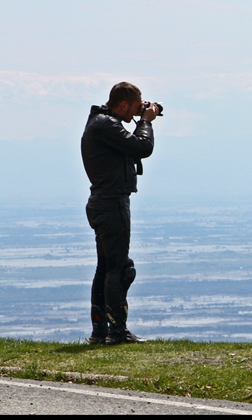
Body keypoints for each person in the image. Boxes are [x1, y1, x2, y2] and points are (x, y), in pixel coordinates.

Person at [81, 82, 159, 345]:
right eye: (137, 106)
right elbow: (142, 147)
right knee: (119, 269)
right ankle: (117, 331)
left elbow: (131, 146)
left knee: (106, 268)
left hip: (103, 202)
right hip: (111, 203)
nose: (139, 111)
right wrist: (146, 121)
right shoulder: (106, 125)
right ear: (124, 104)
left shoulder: (102, 124)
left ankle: (100, 330)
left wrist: (142, 118)